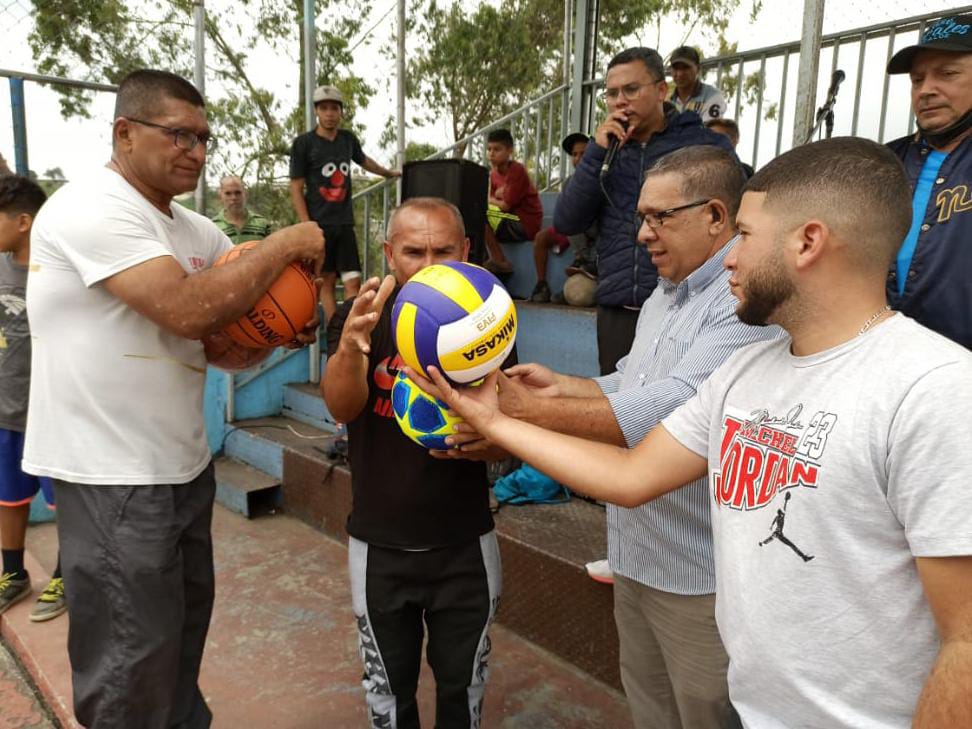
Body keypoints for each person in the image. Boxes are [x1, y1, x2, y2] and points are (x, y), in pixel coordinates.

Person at [420, 137, 972, 729]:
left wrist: (512, 418)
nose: (729, 257)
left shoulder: (935, 390)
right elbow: (631, 477)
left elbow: (964, 641)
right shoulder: (745, 372)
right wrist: (498, 419)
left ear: (808, 242)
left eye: (746, 235)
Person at [23, 69, 324, 729]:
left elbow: (219, 341)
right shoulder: (90, 207)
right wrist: (288, 241)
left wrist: (276, 330)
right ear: (124, 133)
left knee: (177, 641)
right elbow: (191, 309)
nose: (196, 149)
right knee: (130, 661)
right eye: (179, 133)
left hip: (181, 467)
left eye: (204, 137)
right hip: (111, 475)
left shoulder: (193, 231)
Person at [445, 147, 779, 729]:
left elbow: (674, 407)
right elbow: (633, 378)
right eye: (640, 217)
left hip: (698, 578)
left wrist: (524, 414)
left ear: (717, 217)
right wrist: (565, 385)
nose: (643, 233)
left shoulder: (740, 303)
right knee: (650, 711)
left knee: (703, 715)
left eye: (660, 217)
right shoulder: (663, 292)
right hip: (636, 557)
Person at [322, 197, 504, 729]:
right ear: (388, 252)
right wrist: (351, 347)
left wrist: (486, 442)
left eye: (443, 252)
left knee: (463, 693)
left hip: (464, 545)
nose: (427, 267)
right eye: (413, 251)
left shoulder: (486, 317)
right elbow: (341, 407)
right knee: (387, 698)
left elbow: (509, 435)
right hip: (379, 547)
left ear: (467, 250)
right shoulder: (364, 315)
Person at [554, 47, 734, 375]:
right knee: (618, 410)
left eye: (632, 90)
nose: (620, 101)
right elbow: (568, 220)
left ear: (661, 90)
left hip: (687, 302)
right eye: (612, 93)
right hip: (618, 306)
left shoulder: (702, 145)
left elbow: (732, 217)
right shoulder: (605, 151)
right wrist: (596, 152)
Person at [0, 175, 66, 624]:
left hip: (50, 412)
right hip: (5, 410)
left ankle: (67, 574)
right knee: (8, 498)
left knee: (65, 503)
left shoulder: (56, 271)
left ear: (24, 223)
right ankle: (13, 573)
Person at [885, 12, 972, 349]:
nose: (926, 90)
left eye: (947, 74)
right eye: (917, 80)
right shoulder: (880, 163)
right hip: (880, 363)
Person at [289, 84, 400, 322]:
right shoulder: (304, 144)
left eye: (334, 108)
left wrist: (388, 173)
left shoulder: (347, 139)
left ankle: (350, 326)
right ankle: (335, 331)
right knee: (326, 281)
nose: (329, 113)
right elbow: (296, 187)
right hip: (319, 225)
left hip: (344, 222)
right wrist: (306, 224)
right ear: (317, 112)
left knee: (353, 280)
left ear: (341, 112)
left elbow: (364, 160)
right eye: (324, 108)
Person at [529, 132, 597, 303]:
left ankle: (586, 262)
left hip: (596, 230)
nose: (578, 158)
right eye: (575, 154)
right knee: (543, 236)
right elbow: (565, 215)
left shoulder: (601, 177)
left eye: (584, 154)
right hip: (576, 231)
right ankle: (542, 285)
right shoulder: (569, 182)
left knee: (576, 216)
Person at [482, 128, 543, 276]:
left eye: (497, 149)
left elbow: (505, 206)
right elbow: (492, 202)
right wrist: (495, 196)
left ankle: (500, 261)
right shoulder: (494, 174)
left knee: (480, 217)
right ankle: (481, 263)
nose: (491, 153)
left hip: (525, 223)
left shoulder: (517, 170)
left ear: (510, 151)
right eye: (489, 149)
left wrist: (491, 198)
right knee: (472, 217)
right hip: (507, 220)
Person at [667, 46, 727, 121]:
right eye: (676, 68)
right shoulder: (665, 99)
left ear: (698, 69)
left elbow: (709, 131)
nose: (680, 73)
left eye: (686, 67)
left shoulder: (713, 96)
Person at [211, 175, 271, 244]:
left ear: (245, 194)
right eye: (228, 193)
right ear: (220, 197)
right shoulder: (213, 226)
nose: (234, 198)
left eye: (238, 193)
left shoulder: (262, 224)